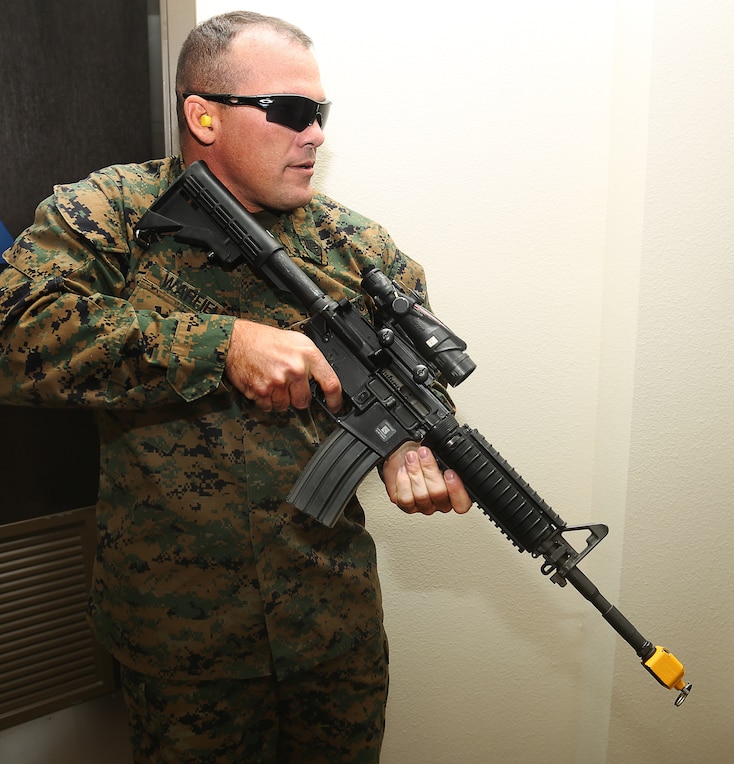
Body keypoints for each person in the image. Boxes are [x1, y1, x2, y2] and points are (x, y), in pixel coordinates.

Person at [0, 11, 471, 763]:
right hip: (182, 640)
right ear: (203, 116)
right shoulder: (110, 214)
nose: (314, 133)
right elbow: (16, 334)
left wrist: (404, 446)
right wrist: (221, 346)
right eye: (290, 111)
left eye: (321, 114)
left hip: (330, 628)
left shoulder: (358, 247)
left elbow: (419, 385)